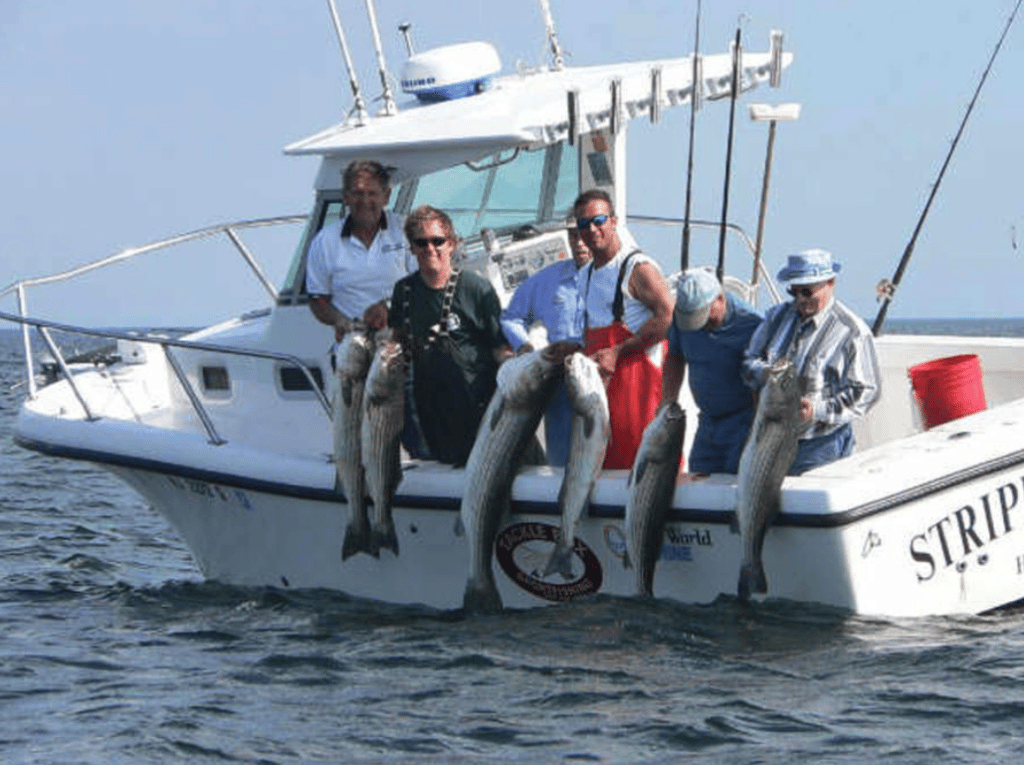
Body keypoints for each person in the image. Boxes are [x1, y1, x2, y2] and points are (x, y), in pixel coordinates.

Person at [388, 205, 512, 466]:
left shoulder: (475, 288)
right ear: (412, 247)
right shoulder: (404, 291)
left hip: (477, 405)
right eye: (421, 242)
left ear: (451, 244)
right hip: (431, 410)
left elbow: (500, 347)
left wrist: (515, 383)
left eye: (438, 241)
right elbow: (396, 344)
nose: (430, 248)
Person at [742, 248, 881, 475]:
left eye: (806, 292)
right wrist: (765, 373)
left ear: (830, 283)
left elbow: (866, 392)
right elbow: (748, 362)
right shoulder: (775, 317)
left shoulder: (852, 332)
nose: (799, 300)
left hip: (819, 446)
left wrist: (817, 410)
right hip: (769, 440)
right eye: (793, 292)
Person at [574, 189, 674, 469]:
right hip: (602, 392)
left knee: (645, 466)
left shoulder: (637, 267)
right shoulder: (585, 275)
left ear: (614, 221)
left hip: (640, 391)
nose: (591, 229)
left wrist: (618, 351)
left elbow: (667, 317)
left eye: (598, 220)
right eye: (583, 224)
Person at [500, 227, 593, 467]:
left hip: (603, 379)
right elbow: (511, 317)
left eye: (584, 233)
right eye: (573, 234)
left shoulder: (619, 278)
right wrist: (525, 346)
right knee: (560, 464)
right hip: (559, 384)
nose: (580, 242)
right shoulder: (549, 279)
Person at [661, 267, 763, 475]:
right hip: (707, 421)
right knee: (699, 483)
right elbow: (675, 355)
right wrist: (668, 399)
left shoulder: (752, 325)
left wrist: (757, 431)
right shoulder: (682, 320)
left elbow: (762, 382)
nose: (700, 326)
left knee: (731, 486)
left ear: (720, 299)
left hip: (742, 421)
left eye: (705, 318)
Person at [306, 160, 415, 338]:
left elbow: (426, 282)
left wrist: (388, 307)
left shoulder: (406, 230)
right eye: (357, 193)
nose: (365, 201)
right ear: (346, 196)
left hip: (401, 344)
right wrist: (339, 321)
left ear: (386, 196)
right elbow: (317, 299)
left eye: (372, 193)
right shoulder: (324, 241)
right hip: (353, 343)